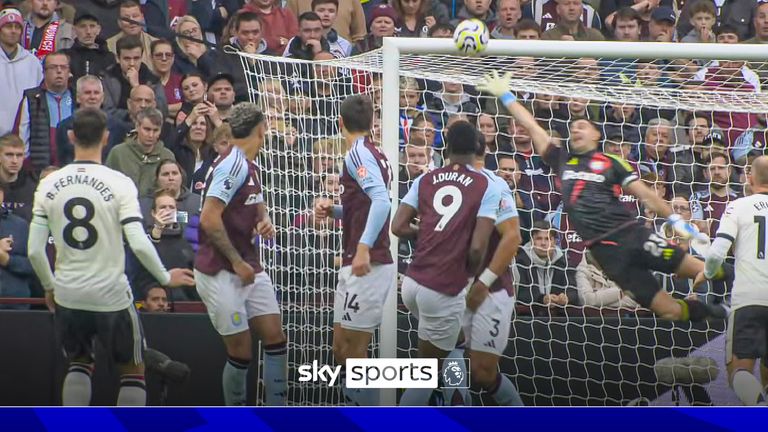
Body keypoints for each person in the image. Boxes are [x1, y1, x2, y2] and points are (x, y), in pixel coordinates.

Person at [478, 70, 720, 322]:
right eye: (572, 128)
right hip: (609, 257)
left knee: (703, 269)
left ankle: (747, 290)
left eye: (582, 125)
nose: (576, 129)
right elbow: (532, 127)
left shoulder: (610, 162)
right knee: (669, 311)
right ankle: (717, 314)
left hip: (634, 238)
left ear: (596, 134)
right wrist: (506, 96)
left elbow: (647, 195)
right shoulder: (563, 161)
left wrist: (677, 222)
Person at [27, 108, 195, 406]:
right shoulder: (119, 183)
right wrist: (165, 277)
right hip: (111, 294)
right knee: (133, 372)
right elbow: (140, 243)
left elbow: (34, 250)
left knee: (79, 364)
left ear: (70, 136)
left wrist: (50, 286)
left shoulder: (49, 184)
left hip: (69, 292)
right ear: (106, 137)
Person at [392, 120, 499, 406]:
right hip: (443, 288)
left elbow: (398, 226)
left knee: (454, 344)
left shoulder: (424, 179)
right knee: (425, 373)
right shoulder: (485, 184)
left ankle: (456, 402)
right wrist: (470, 277)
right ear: (478, 149)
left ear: (446, 147)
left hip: (412, 283)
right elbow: (477, 248)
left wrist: (426, 231)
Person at [194, 103, 287, 406]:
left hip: (249, 263)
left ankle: (278, 412)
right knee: (241, 352)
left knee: (275, 337)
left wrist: (264, 219)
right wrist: (236, 261)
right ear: (260, 130)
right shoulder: (231, 165)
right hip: (221, 269)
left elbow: (254, 201)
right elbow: (209, 218)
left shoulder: (250, 164)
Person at [314, 95, 395, 406]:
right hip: (354, 260)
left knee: (354, 354)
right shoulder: (373, 152)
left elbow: (382, 202)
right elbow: (362, 204)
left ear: (340, 123)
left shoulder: (358, 154)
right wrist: (335, 210)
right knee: (341, 349)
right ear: (372, 123)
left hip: (369, 261)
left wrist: (363, 247)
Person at [698, 156, 768, 406]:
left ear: (749, 178)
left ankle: (757, 405)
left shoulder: (738, 206)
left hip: (748, 300)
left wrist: (706, 273)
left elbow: (717, 253)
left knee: (738, 372)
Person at [461, 137, 524, 406]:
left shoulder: (495, 185)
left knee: (482, 373)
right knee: (446, 359)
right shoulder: (439, 180)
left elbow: (512, 238)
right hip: (452, 286)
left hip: (492, 289)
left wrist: (483, 283)